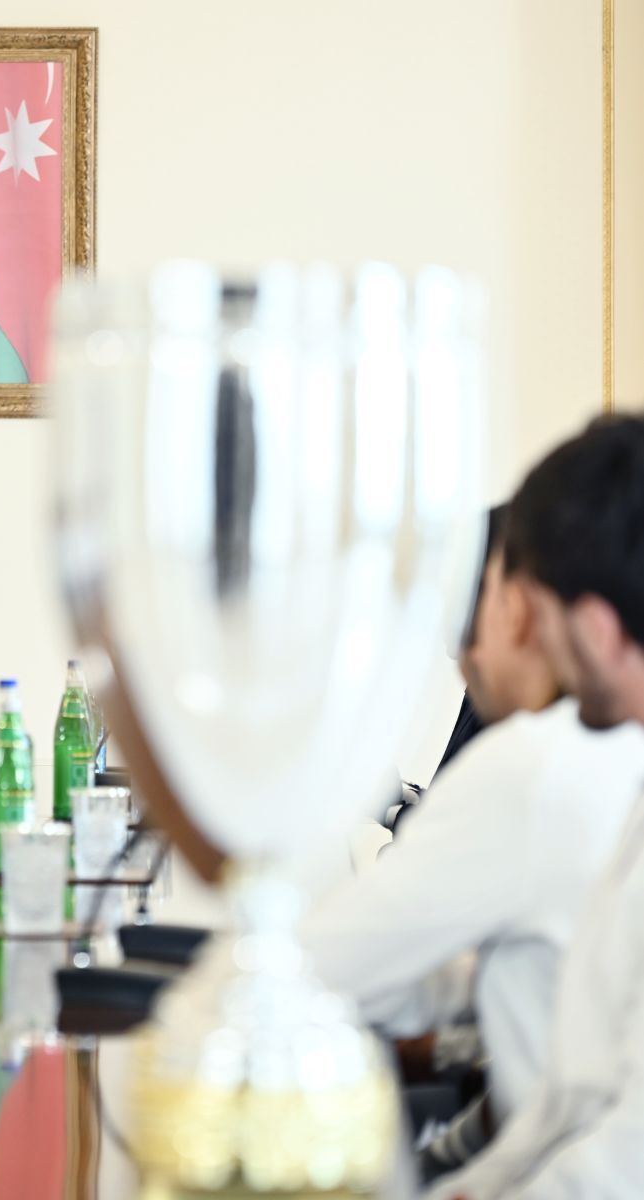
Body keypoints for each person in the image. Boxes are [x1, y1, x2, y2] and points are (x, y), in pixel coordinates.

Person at [301, 502, 644, 1146]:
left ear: (521, 607)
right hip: (501, 1119)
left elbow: (317, 969)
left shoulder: (536, 764)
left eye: (473, 603)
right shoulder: (600, 754)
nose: (460, 649)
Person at [427, 413, 644, 1199]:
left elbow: (623, 1155)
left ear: (594, 628)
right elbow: (574, 1095)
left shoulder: (550, 763)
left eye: (538, 622)